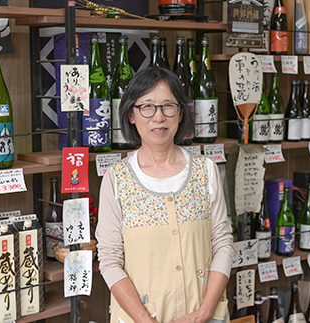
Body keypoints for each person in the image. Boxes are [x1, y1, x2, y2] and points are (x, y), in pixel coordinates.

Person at [96, 67, 234, 323]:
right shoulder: (116, 179)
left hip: (203, 317)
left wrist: (203, 314)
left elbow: (223, 244)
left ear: (180, 113)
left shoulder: (206, 170)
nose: (158, 117)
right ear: (131, 115)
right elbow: (109, 260)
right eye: (147, 107)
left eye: (168, 106)